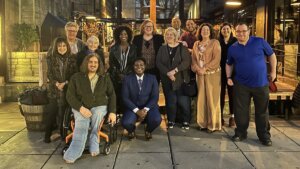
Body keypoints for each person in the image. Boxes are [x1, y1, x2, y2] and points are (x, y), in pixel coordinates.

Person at [226, 22, 277, 146]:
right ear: (235, 32)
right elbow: (229, 63)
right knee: (241, 111)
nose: (241, 34)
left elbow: (272, 55)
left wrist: (273, 71)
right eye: (238, 31)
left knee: (262, 111)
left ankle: (264, 135)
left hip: (261, 83)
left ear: (249, 31)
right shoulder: (233, 48)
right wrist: (228, 77)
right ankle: (240, 133)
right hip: (241, 84)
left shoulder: (259, 41)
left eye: (243, 31)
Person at [63, 53, 116, 163]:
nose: (93, 64)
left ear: (99, 64)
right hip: (81, 106)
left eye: (95, 62)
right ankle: (74, 151)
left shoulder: (104, 77)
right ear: (86, 63)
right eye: (90, 62)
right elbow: (69, 95)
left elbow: (112, 95)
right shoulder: (76, 77)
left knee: (97, 114)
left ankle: (94, 141)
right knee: (82, 122)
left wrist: (112, 112)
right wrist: (80, 108)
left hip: (99, 106)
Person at [156, 27, 192, 129]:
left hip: (181, 79)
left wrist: (174, 71)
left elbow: (186, 62)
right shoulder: (162, 48)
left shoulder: (182, 47)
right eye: (167, 34)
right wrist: (168, 73)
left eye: (171, 34)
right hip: (167, 79)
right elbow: (158, 63)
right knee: (170, 100)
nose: (169, 36)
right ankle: (171, 120)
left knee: (183, 100)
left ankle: (185, 120)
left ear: (175, 36)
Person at [44, 37, 77, 143]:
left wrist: (65, 83)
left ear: (67, 46)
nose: (62, 48)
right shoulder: (51, 58)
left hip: (67, 88)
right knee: (52, 112)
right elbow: (49, 74)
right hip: (54, 90)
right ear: (55, 47)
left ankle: (63, 135)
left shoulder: (72, 58)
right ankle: (47, 135)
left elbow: (74, 74)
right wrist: (56, 83)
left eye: (64, 45)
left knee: (65, 113)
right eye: (59, 46)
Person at [191, 23, 222, 133]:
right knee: (201, 98)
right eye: (203, 30)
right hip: (199, 75)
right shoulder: (196, 44)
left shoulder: (215, 43)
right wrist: (197, 69)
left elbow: (216, 59)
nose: (205, 31)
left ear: (210, 31)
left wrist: (205, 68)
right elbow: (193, 59)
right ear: (200, 32)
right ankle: (202, 123)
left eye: (207, 29)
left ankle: (213, 124)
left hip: (212, 74)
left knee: (212, 99)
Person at [121, 57, 162, 140]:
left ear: (145, 66)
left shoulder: (152, 78)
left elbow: (155, 97)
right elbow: (125, 98)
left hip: (149, 106)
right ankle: (131, 131)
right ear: (133, 66)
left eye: (141, 65)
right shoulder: (127, 79)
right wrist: (137, 111)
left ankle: (148, 130)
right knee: (126, 122)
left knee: (157, 119)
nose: (139, 67)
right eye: (136, 65)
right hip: (133, 107)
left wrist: (145, 110)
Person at [108, 25, 137, 114]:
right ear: (118, 35)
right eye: (121, 34)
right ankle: (116, 116)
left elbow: (134, 63)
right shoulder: (113, 48)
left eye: (125, 34)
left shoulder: (134, 48)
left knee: (127, 97)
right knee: (117, 96)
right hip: (116, 77)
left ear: (129, 35)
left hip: (129, 77)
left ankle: (127, 115)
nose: (123, 36)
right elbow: (111, 63)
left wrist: (125, 74)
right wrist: (119, 74)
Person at [218, 22, 237, 127]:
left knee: (232, 94)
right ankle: (220, 117)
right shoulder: (218, 42)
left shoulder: (235, 41)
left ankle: (232, 117)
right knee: (220, 94)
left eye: (227, 29)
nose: (225, 31)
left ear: (231, 30)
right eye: (223, 29)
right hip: (220, 71)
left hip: (232, 72)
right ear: (221, 31)